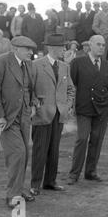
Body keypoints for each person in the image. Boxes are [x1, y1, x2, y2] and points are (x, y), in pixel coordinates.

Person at [0, 36, 37, 208]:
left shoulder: (27, 64)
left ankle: (19, 188)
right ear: (15, 48)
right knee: (18, 153)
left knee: (24, 154)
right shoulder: (2, 61)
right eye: (27, 49)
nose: (31, 52)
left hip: (24, 116)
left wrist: (33, 103)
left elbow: (29, 87)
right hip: (6, 118)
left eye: (31, 49)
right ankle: (12, 195)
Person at [29, 33, 75, 196]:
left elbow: (70, 89)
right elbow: (30, 89)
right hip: (42, 115)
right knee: (40, 150)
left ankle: (50, 182)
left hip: (59, 114)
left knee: (54, 150)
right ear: (52, 48)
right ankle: (35, 184)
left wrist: (68, 105)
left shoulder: (64, 66)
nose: (64, 49)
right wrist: (36, 105)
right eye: (62, 46)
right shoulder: (35, 65)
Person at [68, 35, 108, 184]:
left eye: (103, 45)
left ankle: (90, 172)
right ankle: (74, 174)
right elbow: (71, 85)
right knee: (82, 139)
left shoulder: (107, 65)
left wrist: (107, 101)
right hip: (84, 109)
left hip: (101, 110)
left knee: (96, 140)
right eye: (98, 44)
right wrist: (71, 104)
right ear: (90, 45)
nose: (101, 47)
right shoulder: (77, 62)